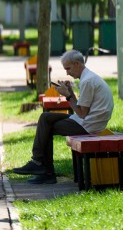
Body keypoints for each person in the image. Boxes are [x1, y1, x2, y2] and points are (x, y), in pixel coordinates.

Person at [13, 50, 114, 184]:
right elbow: (81, 108)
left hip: (89, 125)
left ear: (77, 64)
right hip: (86, 120)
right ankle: (40, 165)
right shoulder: (88, 77)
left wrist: (67, 96)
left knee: (46, 126)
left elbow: (82, 113)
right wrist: (71, 92)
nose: (67, 73)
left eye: (68, 68)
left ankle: (43, 168)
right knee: (45, 118)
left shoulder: (88, 81)